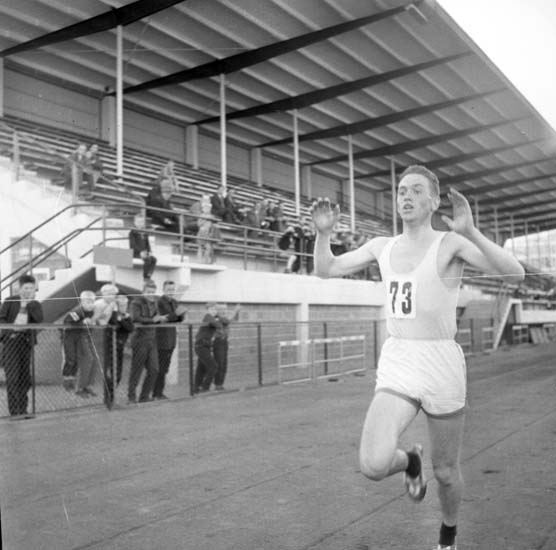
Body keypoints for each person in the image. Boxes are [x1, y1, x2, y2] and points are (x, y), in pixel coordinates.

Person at [310, 164, 525, 550]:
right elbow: (326, 269)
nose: (405, 196)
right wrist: (323, 234)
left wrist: (471, 232)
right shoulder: (382, 246)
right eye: (401, 190)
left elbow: (515, 274)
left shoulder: (450, 244)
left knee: (445, 472)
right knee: (373, 463)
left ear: (434, 201)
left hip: (441, 362)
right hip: (400, 358)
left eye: (415, 190)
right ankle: (409, 460)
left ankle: (448, 535)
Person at [0, 274, 43, 417]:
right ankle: (15, 412)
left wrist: (27, 305)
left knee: (25, 379)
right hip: (11, 343)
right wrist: (10, 332)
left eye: (31, 288)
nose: (28, 290)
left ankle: (23, 410)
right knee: (13, 377)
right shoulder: (10, 301)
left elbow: (39, 320)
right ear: (19, 288)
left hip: (25, 343)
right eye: (26, 288)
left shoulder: (35, 304)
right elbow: (2, 319)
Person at [128, 280, 166, 404]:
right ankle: (131, 397)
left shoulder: (155, 303)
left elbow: (156, 318)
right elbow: (135, 318)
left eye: (153, 292)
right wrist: (153, 320)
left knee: (154, 369)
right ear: (143, 292)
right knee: (137, 370)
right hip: (140, 340)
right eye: (149, 292)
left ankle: (144, 396)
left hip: (152, 340)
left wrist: (160, 319)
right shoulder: (136, 302)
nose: (151, 294)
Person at [153, 281, 187, 400]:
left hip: (171, 338)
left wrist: (180, 315)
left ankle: (159, 392)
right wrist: (176, 314)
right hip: (162, 338)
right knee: (160, 367)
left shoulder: (174, 302)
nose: (171, 292)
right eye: (168, 289)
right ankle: (156, 393)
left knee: (165, 368)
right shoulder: (159, 302)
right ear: (163, 289)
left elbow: (178, 319)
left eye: (172, 289)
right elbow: (164, 318)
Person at [62, 290, 98, 398]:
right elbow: (67, 322)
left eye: (92, 302)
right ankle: (69, 383)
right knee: (71, 359)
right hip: (71, 337)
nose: (90, 304)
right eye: (88, 302)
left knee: (90, 359)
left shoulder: (92, 312)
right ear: (82, 302)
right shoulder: (77, 311)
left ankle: (85, 385)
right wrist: (82, 323)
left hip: (83, 337)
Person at [193, 302, 220, 394]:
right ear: (207, 310)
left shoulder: (213, 318)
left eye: (215, 309)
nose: (214, 311)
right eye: (212, 309)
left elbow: (218, 324)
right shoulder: (208, 316)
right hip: (201, 345)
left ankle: (196, 388)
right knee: (213, 366)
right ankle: (205, 388)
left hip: (205, 346)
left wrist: (217, 319)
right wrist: (218, 319)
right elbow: (217, 325)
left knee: (201, 368)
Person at [213, 303, 240, 391]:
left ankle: (220, 384)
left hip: (224, 342)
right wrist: (235, 310)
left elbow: (235, 320)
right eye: (221, 309)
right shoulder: (216, 318)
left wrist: (237, 312)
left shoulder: (225, 317)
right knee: (219, 363)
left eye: (225, 309)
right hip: (218, 342)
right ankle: (217, 384)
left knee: (224, 364)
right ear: (217, 311)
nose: (224, 311)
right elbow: (227, 321)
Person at [129, 213, 157, 280]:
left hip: (144, 252)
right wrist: (140, 251)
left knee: (154, 259)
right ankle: (145, 277)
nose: (140, 224)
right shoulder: (132, 232)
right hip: (136, 252)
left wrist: (149, 251)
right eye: (138, 222)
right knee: (148, 259)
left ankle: (149, 275)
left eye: (141, 222)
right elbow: (132, 245)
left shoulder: (144, 233)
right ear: (135, 222)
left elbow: (147, 243)